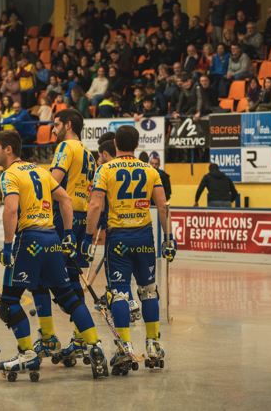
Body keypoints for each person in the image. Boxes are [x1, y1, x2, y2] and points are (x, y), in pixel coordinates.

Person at [0, 130, 109, 379]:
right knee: (69, 298)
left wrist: (8, 246)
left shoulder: (9, 175)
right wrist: (68, 233)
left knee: (8, 303)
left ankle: (27, 354)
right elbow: (65, 199)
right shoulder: (40, 171)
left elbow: (11, 210)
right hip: (52, 239)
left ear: (8, 149)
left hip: (29, 240)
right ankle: (95, 347)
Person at [82, 125, 175, 373]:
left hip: (119, 238)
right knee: (148, 290)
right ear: (136, 144)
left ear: (115, 145)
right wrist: (169, 238)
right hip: (144, 236)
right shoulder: (150, 170)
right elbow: (163, 206)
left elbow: (95, 205)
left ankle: (124, 347)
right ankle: (153, 345)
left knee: (120, 293)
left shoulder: (105, 170)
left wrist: (88, 238)